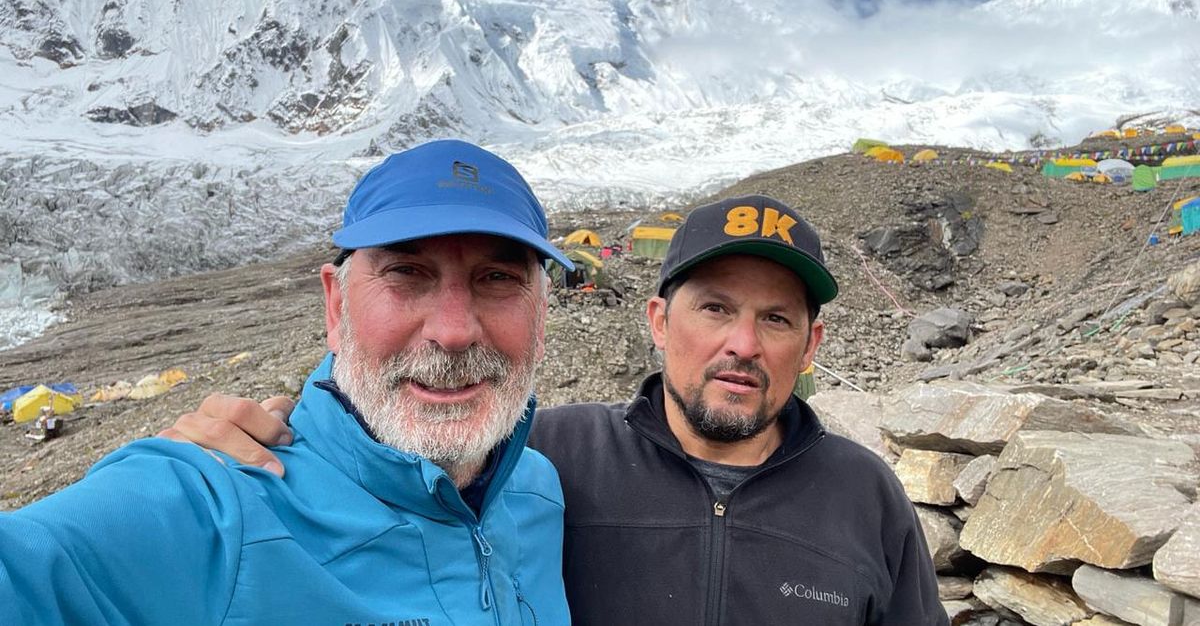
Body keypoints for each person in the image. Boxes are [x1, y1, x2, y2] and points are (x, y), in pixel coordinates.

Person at [170, 194, 949, 625]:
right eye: (713, 308)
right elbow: (388, 455)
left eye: (775, 319)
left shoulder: (864, 494)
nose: (741, 343)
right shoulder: (542, 455)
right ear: (656, 321)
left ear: (811, 344)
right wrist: (244, 442)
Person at [0, 140, 572, 625]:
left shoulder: (538, 490)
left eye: (497, 278)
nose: (452, 332)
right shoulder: (216, 506)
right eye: (406, 273)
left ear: (541, 321)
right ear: (335, 305)